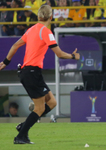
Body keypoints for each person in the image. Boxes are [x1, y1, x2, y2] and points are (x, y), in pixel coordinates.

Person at [0, 5, 80, 144]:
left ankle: (23, 127)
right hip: (32, 72)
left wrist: (5, 62)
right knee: (40, 108)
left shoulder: (31, 30)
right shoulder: (46, 31)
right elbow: (59, 54)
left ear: (38, 16)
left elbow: (15, 45)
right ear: (50, 17)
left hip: (28, 72)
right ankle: (21, 137)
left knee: (52, 102)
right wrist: (73, 56)